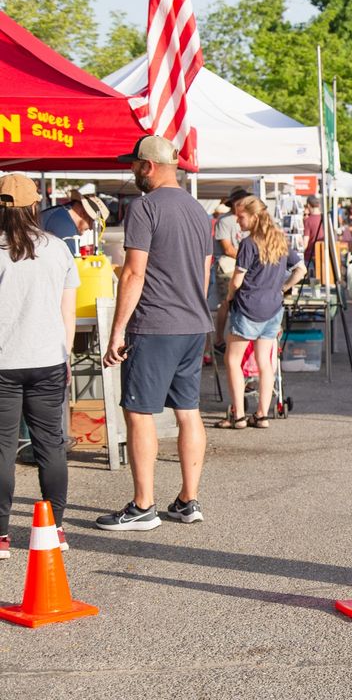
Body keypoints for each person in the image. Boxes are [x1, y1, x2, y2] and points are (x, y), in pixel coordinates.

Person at [98, 134, 214, 531]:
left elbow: (133, 271)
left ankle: (143, 505)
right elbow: (204, 272)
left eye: (134, 165)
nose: (132, 171)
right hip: (193, 322)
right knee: (188, 410)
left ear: (147, 166)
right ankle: (188, 499)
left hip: (156, 323)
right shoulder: (200, 211)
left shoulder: (144, 207)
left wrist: (117, 332)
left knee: (139, 412)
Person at [0, 175, 79, 558]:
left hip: (3, 362)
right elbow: (68, 312)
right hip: (48, 358)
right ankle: (55, 528)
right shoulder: (56, 249)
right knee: (51, 444)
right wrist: (64, 357)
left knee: (2, 446)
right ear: (35, 206)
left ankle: (0, 534)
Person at [216, 197, 306, 428]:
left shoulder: (249, 243)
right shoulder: (280, 240)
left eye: (241, 216)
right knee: (265, 361)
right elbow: (300, 269)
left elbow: (237, 279)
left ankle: (238, 416)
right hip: (273, 308)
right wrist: (283, 288)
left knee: (233, 359)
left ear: (254, 217)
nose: (238, 221)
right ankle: (262, 414)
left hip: (248, 307)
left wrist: (229, 297)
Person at [212, 187, 251, 355]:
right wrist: (249, 257)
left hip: (242, 266)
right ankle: (219, 339)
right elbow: (227, 248)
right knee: (227, 302)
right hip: (227, 266)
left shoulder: (247, 220)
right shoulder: (224, 221)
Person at [40, 193, 108, 255]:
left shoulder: (59, 213)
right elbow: (70, 265)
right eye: (91, 224)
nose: (90, 229)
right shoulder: (66, 228)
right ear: (83, 213)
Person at [302, 194, 324, 277]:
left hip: (310, 255)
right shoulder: (325, 218)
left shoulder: (308, 221)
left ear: (308, 205)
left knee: (312, 281)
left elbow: (305, 243)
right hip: (322, 254)